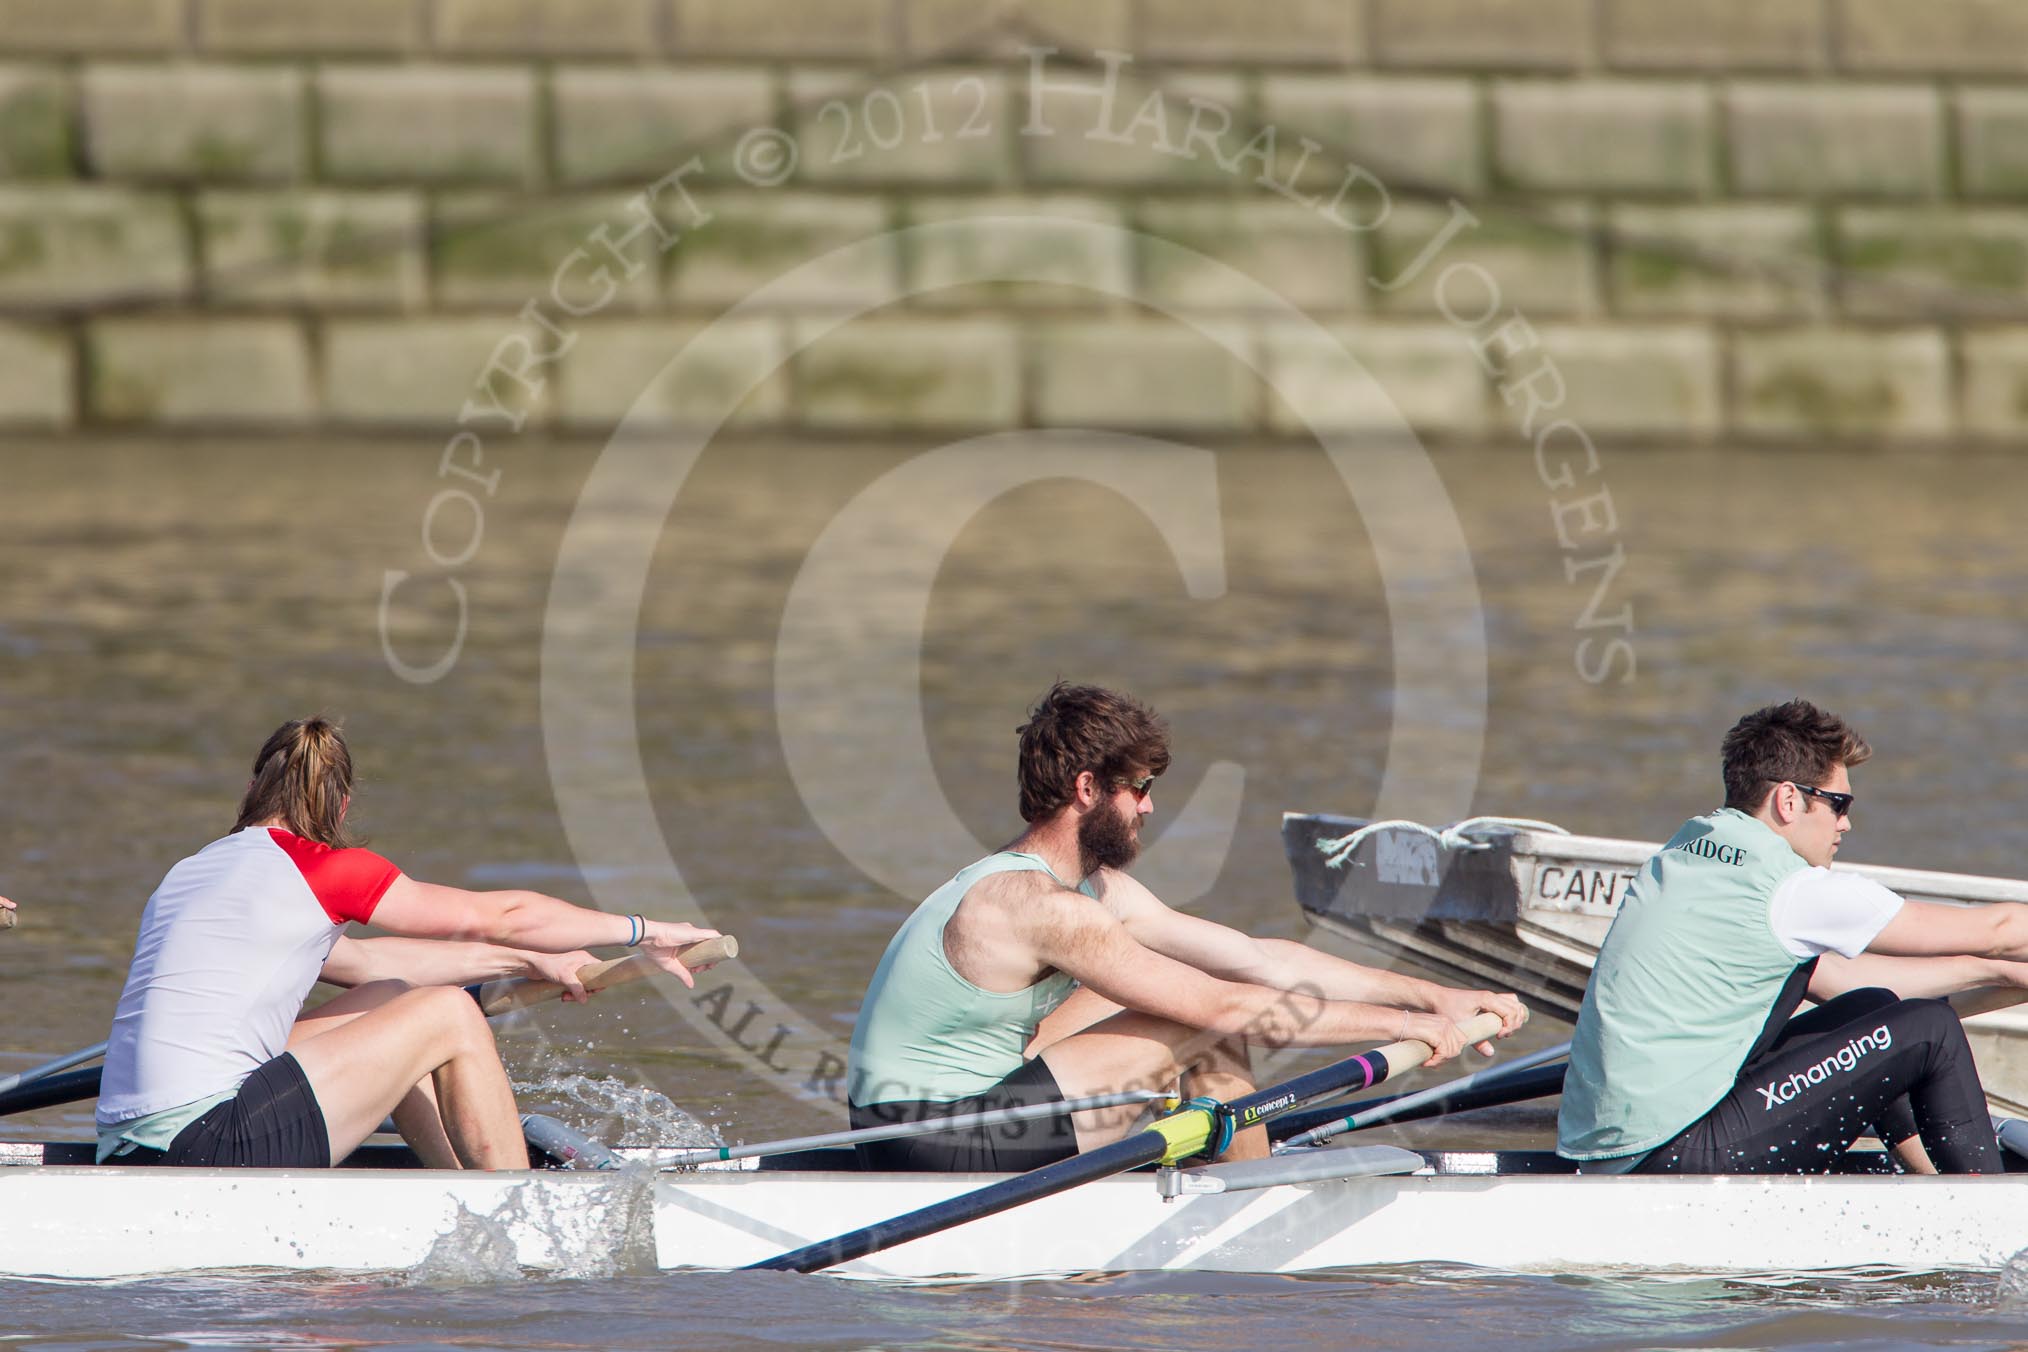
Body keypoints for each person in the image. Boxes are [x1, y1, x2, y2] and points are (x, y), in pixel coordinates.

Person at [846, 682, 1528, 1171]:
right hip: (924, 1143)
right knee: (1208, 1020)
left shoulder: (1090, 889)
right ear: (1088, 790)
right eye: (1137, 788)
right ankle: (1250, 1203)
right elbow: (1224, 1005)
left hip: (960, 1113)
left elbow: (1255, 958)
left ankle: (1234, 1175)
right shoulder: (1038, 905)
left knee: (1168, 993)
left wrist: (1431, 998)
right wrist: (1400, 1029)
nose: (1149, 805)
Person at [96, 716, 721, 1170]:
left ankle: (450, 1185)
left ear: (254, 794)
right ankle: (518, 1210)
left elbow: (370, 963)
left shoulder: (193, 872)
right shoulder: (324, 869)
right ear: (339, 808)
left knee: (390, 998)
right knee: (447, 1012)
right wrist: (644, 931)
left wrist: (532, 960)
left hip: (127, 1143)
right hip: (208, 1145)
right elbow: (500, 914)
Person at [1560, 698, 2028, 1176]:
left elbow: (1846, 983)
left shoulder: (1685, 854)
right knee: (1930, 1029)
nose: (1845, 822)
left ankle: (1926, 1183)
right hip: (1676, 1151)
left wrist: (1995, 973)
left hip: (1621, 1147)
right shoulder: (1789, 889)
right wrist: (1997, 955)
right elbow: (2000, 931)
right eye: (1838, 803)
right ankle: (1985, 1212)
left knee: (1871, 1014)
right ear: (1788, 800)